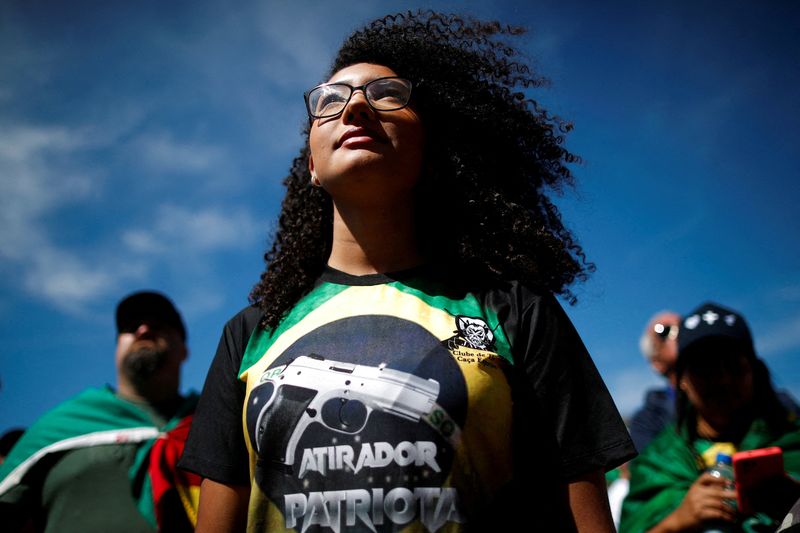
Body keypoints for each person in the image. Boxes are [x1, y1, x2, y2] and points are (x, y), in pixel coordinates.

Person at [180, 11, 636, 532]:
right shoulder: (251, 334)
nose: (355, 106)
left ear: (433, 148)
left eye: (387, 94)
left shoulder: (514, 311)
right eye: (330, 100)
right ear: (310, 162)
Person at [0, 291, 200, 532]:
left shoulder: (218, 424)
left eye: (160, 324)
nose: (144, 329)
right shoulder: (60, 426)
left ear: (185, 350)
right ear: (116, 349)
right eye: (130, 327)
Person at [620, 302, 800, 532]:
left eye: (734, 367)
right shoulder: (657, 461)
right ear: (681, 380)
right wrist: (679, 519)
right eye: (705, 369)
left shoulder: (792, 436)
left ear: (754, 371)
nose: (723, 380)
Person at [629, 311, 681, 452]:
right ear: (656, 362)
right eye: (664, 331)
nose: (679, 332)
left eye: (684, 325)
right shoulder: (646, 422)